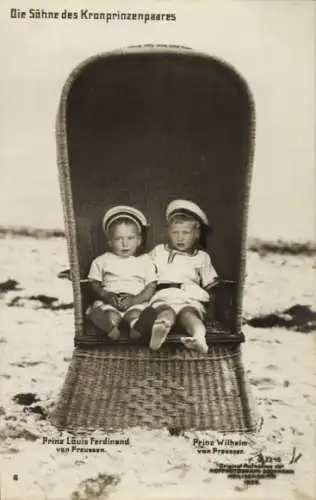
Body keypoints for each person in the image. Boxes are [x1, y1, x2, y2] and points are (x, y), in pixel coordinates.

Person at [149, 199, 219, 353]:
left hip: (190, 297)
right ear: (168, 232)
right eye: (175, 233)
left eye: (186, 233)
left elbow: (211, 287)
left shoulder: (202, 257)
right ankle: (160, 331)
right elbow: (144, 274)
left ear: (196, 234)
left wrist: (212, 314)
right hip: (164, 295)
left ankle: (199, 338)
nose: (180, 238)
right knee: (165, 312)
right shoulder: (159, 251)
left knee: (190, 315)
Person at [86, 206, 157, 340]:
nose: (125, 244)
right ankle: (110, 328)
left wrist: (135, 300)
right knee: (110, 314)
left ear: (139, 240)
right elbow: (94, 283)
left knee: (136, 313)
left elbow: (151, 285)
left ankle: (137, 328)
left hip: (136, 300)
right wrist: (106, 296)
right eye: (119, 239)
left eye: (130, 238)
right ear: (110, 242)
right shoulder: (102, 260)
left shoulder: (145, 261)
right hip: (110, 301)